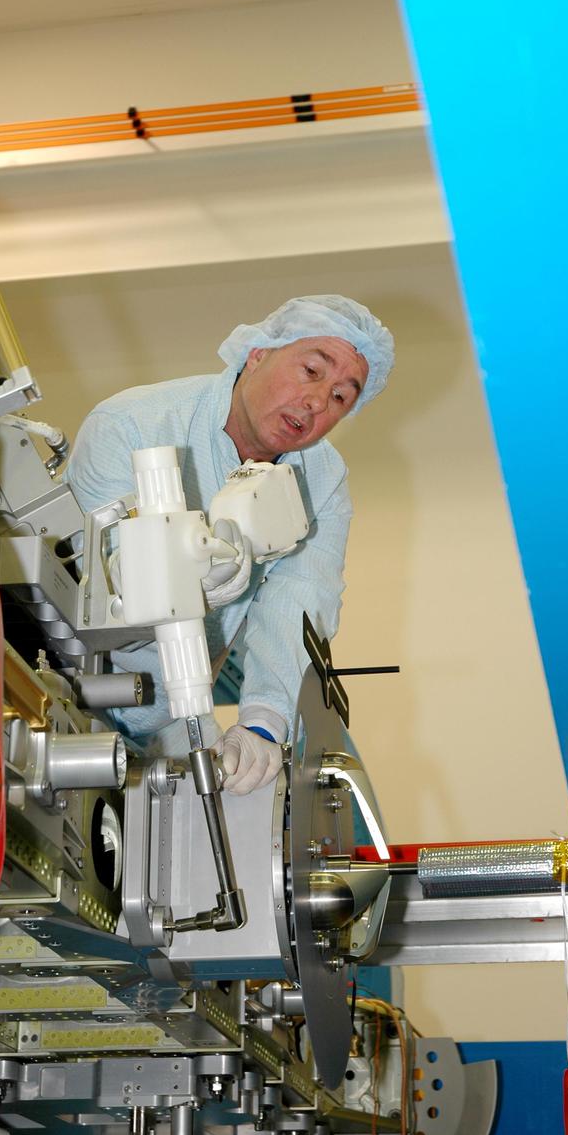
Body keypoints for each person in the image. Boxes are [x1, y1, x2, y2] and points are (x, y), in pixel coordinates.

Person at [66, 295, 394, 794]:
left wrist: (265, 720)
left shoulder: (322, 482)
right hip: (64, 683)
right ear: (258, 354)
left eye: (340, 398)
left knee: (241, 803)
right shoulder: (133, 424)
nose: (316, 403)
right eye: (310, 370)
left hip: (174, 714)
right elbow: (111, 577)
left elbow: (299, 604)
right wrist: (196, 583)